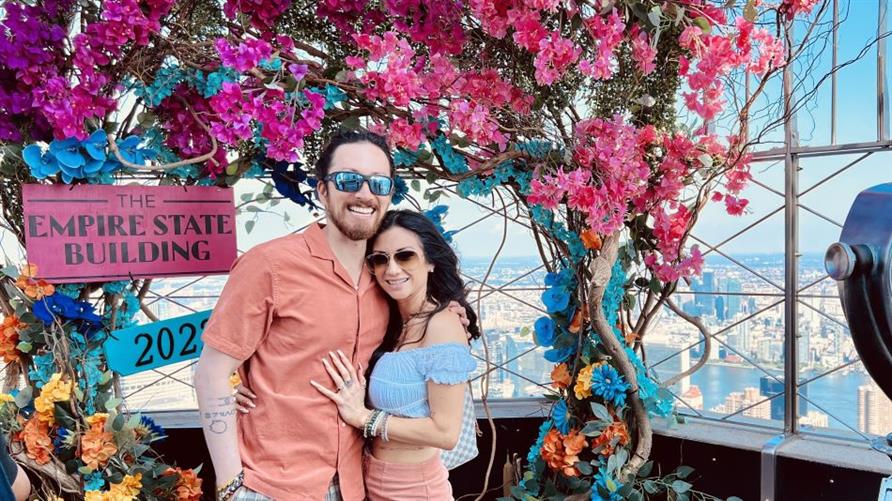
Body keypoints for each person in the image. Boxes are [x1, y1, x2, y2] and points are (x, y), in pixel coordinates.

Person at [194, 131, 467, 501]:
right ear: (323, 190)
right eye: (349, 180)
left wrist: (451, 315)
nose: (364, 193)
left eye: (378, 183)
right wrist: (229, 484)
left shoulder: (384, 278)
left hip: (354, 484)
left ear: (388, 194)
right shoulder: (270, 265)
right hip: (272, 485)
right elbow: (211, 372)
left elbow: (422, 332)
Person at [239, 209, 481, 500]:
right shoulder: (386, 320)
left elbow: (445, 433)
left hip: (415, 490)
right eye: (380, 259)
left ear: (431, 261)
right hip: (366, 482)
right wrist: (236, 383)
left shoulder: (442, 324)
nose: (391, 269)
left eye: (405, 256)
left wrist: (364, 417)